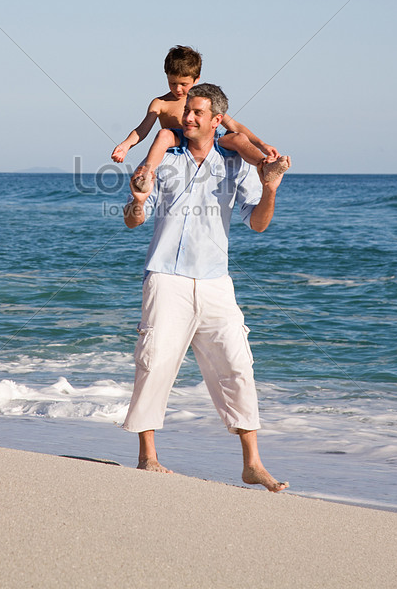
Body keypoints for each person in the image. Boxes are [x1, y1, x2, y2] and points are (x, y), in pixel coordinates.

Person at [122, 82, 291, 491]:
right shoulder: (165, 158)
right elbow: (132, 220)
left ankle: (252, 463)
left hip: (216, 281)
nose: (188, 117)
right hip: (166, 277)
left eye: (198, 112)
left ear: (217, 121)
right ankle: (148, 457)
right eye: (188, 111)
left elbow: (258, 222)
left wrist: (269, 188)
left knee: (238, 364)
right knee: (155, 361)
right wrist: (139, 201)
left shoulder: (234, 163)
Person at [110, 45, 284, 193]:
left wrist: (262, 145)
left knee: (238, 138)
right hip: (180, 141)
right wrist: (126, 146)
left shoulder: (203, 100)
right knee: (163, 134)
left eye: (184, 84)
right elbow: (143, 128)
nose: (177, 89)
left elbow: (234, 124)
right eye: (172, 83)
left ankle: (265, 166)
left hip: (208, 140)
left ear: (196, 79)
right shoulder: (160, 103)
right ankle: (147, 174)